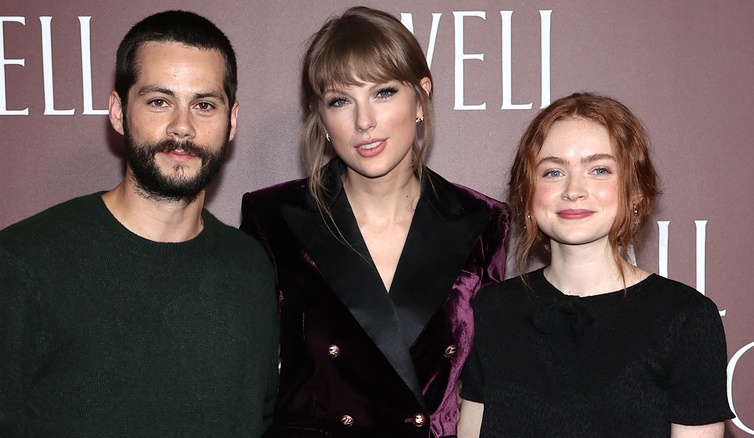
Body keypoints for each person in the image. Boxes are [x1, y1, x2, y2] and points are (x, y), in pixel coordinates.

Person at [0, 10, 278, 437]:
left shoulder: (252, 270)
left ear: (232, 121)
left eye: (204, 105)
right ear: (118, 112)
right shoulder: (21, 264)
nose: (182, 127)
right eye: (159, 101)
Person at [240, 6, 508, 437]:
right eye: (341, 101)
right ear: (321, 117)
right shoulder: (273, 218)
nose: (364, 122)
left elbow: (487, 386)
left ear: (420, 96)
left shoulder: (481, 221)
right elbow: (248, 381)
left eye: (383, 93)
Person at [457, 92, 734, 437]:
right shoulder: (490, 310)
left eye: (599, 170)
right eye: (554, 172)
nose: (574, 190)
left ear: (635, 192)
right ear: (527, 195)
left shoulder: (685, 318)